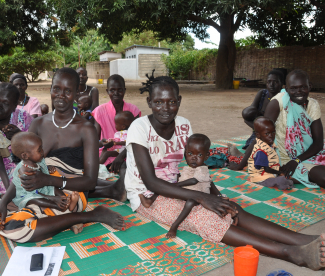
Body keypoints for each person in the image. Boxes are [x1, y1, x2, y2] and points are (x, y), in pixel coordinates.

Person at [125, 71, 325, 271]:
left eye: (171, 102)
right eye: (158, 102)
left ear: (179, 100)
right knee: (203, 217)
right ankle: (290, 253)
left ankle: (307, 239)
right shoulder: (139, 128)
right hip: (148, 196)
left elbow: (197, 166)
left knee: (230, 208)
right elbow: (151, 182)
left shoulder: (183, 124)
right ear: (149, 101)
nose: (165, 108)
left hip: (182, 184)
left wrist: (216, 196)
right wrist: (202, 198)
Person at [0, 68, 126, 242]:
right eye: (56, 89)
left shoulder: (86, 129)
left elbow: (90, 181)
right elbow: (22, 169)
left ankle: (92, 215)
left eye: (68, 91)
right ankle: (52, 219)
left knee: (20, 229)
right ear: (51, 89)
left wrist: (48, 180)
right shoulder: (38, 123)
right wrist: (4, 201)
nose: (60, 95)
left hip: (67, 194)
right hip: (33, 188)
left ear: (77, 93)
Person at [141, 134, 228, 239]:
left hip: (199, 196)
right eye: (190, 153)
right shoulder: (188, 168)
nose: (194, 158)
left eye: (199, 155)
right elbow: (208, 182)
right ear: (185, 153)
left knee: (189, 201)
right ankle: (150, 200)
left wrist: (177, 185)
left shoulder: (202, 169)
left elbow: (194, 180)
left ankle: (175, 226)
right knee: (162, 187)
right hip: (186, 192)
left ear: (206, 156)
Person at [264, 69, 325, 188]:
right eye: (293, 88)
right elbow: (262, 134)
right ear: (286, 89)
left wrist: (296, 160)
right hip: (285, 158)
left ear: (310, 86)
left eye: (303, 87)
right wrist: (242, 164)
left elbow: (318, 142)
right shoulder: (278, 103)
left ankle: (293, 177)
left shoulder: (312, 105)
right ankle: (291, 175)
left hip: (307, 153)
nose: (299, 92)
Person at [92, 74, 141, 172]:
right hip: (106, 154)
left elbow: (137, 139)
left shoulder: (133, 110)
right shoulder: (99, 111)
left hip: (129, 152)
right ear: (107, 91)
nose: (116, 93)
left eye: (120, 90)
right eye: (112, 90)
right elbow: (94, 142)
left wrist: (121, 157)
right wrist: (103, 143)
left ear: (124, 90)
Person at [242, 70, 285, 149]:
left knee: (264, 150)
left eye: (275, 82)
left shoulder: (283, 98)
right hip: (260, 130)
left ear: (282, 84)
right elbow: (251, 111)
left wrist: (258, 129)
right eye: (269, 82)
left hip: (277, 132)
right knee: (251, 147)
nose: (271, 85)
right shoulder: (262, 93)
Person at [248, 117, 293, 189]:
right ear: (258, 135)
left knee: (286, 174)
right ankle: (283, 182)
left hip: (269, 173)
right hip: (261, 177)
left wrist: (280, 169)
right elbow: (267, 169)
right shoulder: (261, 151)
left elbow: (271, 161)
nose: (271, 136)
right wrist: (279, 173)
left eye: (273, 132)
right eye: (267, 133)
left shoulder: (269, 145)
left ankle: (284, 181)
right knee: (281, 180)